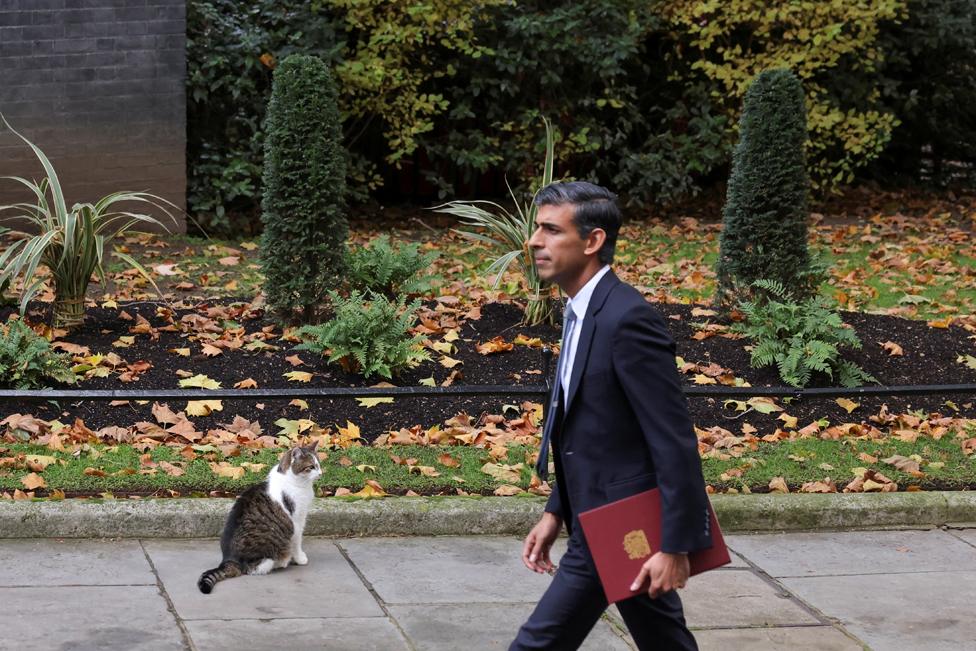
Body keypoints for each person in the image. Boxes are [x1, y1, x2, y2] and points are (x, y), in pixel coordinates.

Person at [510, 181, 711, 650]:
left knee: (536, 644)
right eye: (536, 229)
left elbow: (672, 438)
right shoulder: (581, 311)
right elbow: (587, 429)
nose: (535, 241)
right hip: (603, 520)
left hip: (623, 525)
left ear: (593, 241)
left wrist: (676, 546)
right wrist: (557, 510)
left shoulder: (628, 319)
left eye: (550, 230)